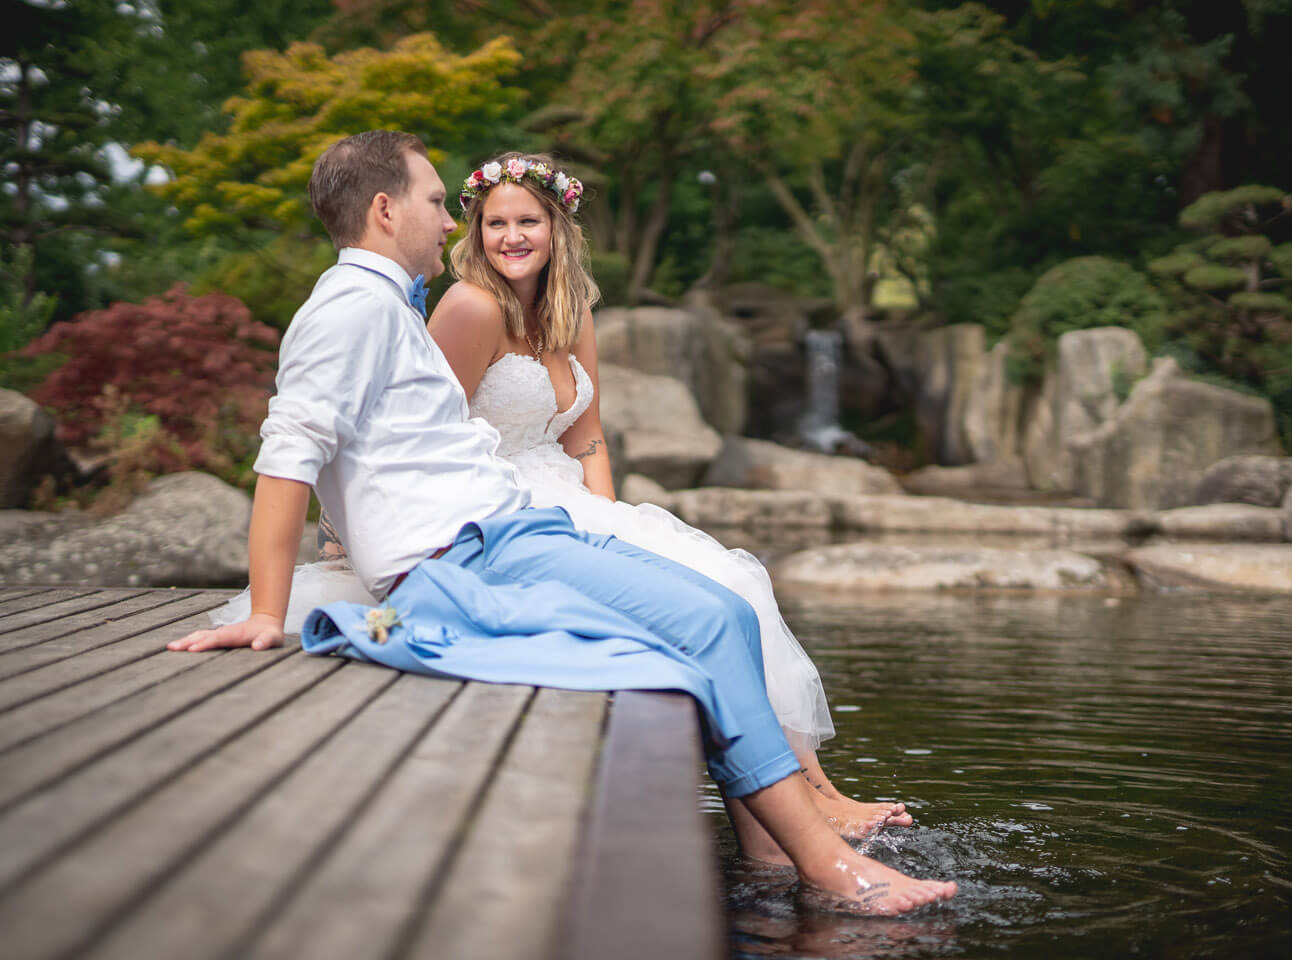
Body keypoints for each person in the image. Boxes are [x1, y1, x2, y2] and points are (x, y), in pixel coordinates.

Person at [173, 130, 954, 915]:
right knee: (711, 625)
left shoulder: (388, 305)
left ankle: (788, 848)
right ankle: (825, 864)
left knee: (723, 610)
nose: (453, 223)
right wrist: (268, 612)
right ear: (384, 209)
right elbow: (290, 452)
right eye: (440, 203)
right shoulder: (347, 310)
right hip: (469, 555)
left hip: (512, 529)